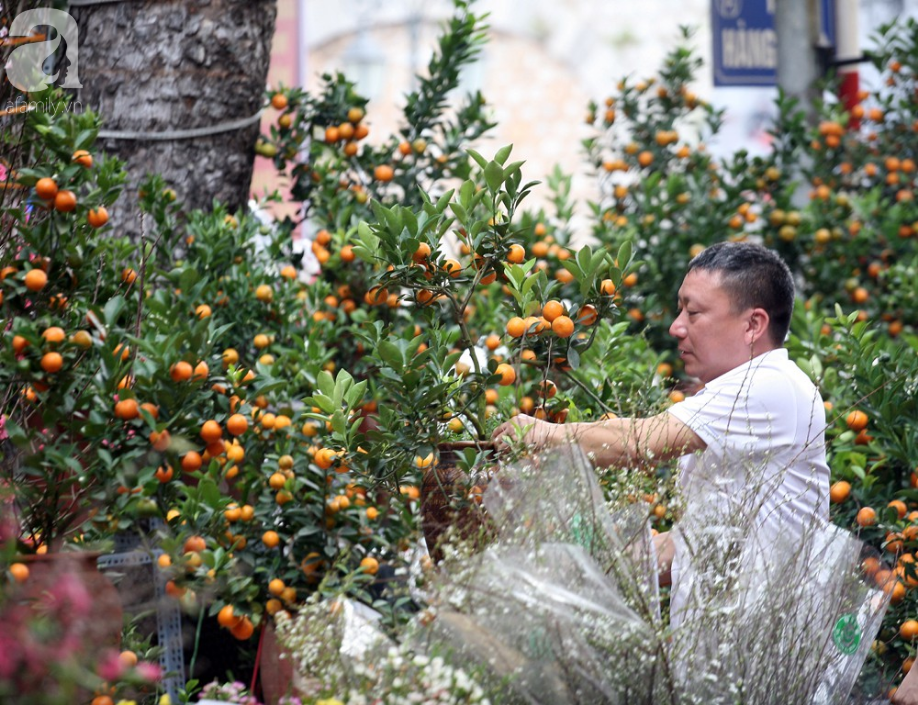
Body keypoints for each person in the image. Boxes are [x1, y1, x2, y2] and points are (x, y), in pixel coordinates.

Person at [491, 241, 830, 627]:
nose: (676, 327)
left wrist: (540, 434)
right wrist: (560, 559)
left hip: (768, 653)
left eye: (695, 312)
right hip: (723, 657)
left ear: (753, 324)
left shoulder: (770, 386)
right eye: (680, 309)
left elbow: (641, 441)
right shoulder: (737, 396)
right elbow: (689, 546)